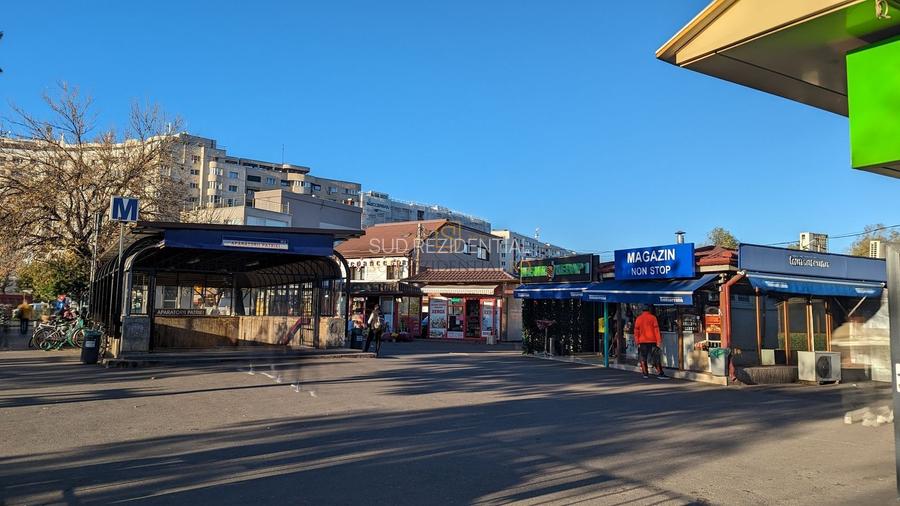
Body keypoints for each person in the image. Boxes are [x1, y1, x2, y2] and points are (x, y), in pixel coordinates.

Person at [634, 305, 669, 380]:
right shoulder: (653, 318)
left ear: (642, 310)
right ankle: (660, 373)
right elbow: (656, 330)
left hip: (642, 341)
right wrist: (658, 340)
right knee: (656, 357)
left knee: (643, 358)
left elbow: (636, 331)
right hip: (652, 340)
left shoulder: (638, 318)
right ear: (649, 310)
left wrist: (637, 341)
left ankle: (645, 373)